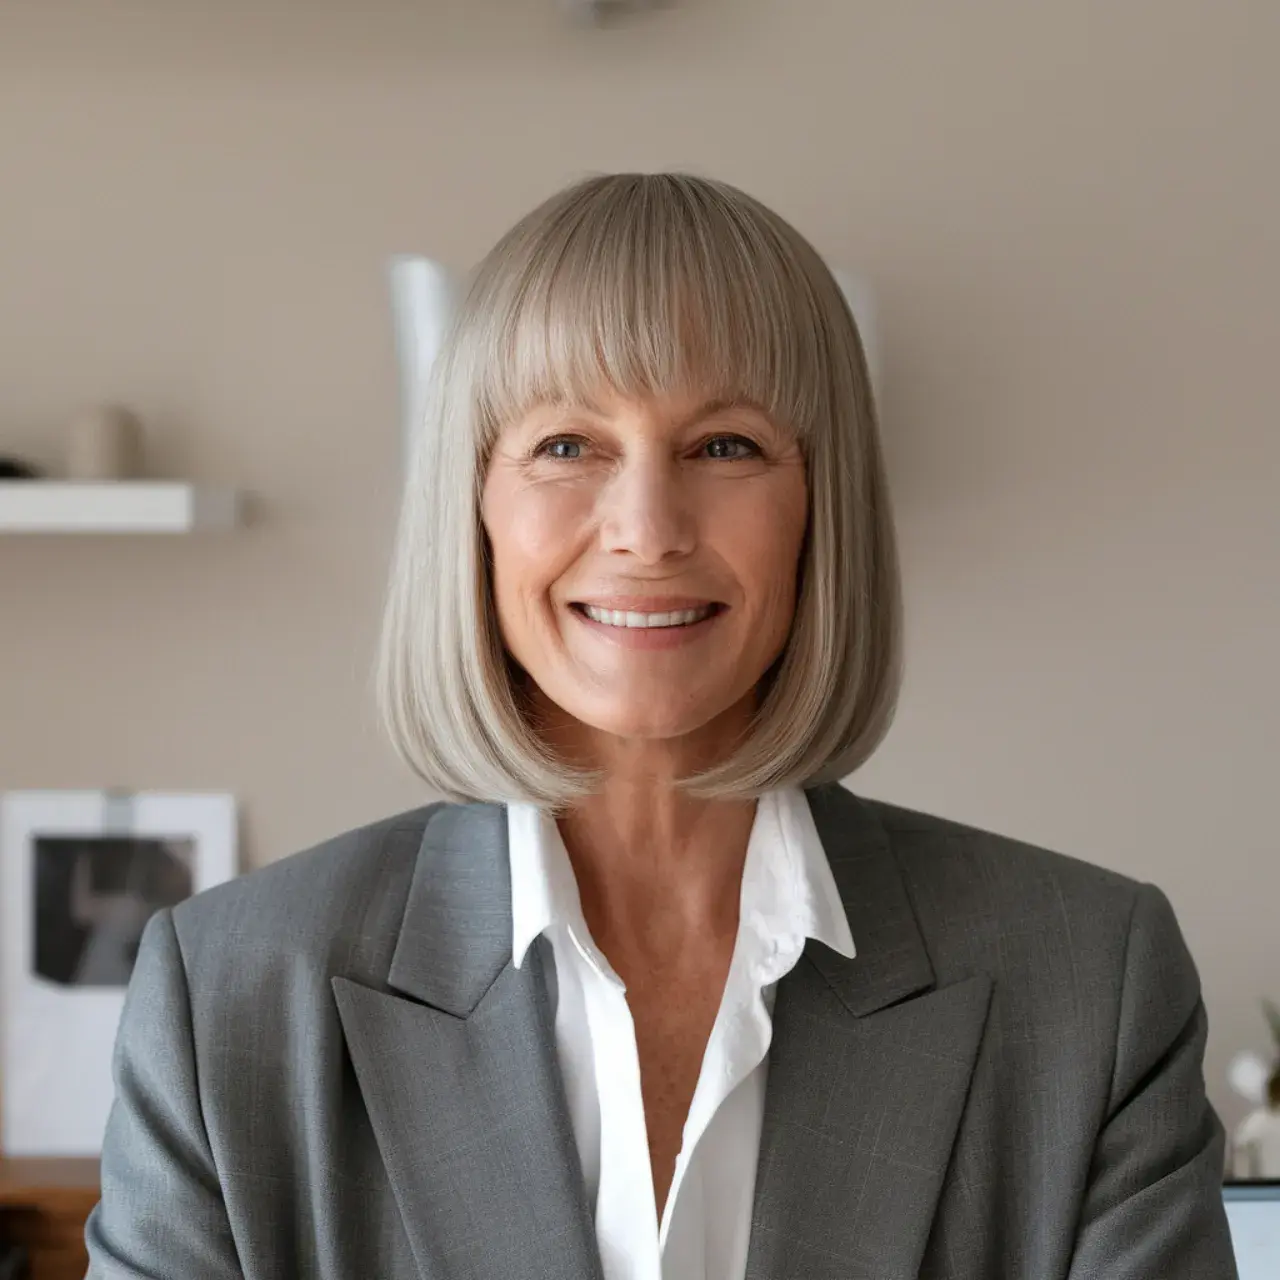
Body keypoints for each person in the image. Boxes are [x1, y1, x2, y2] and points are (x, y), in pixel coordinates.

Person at [84, 173, 1236, 1279]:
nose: (645, 527)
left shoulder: (1089, 980)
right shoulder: (228, 994)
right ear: (473, 504)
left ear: (817, 507)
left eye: (724, 445)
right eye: (565, 444)